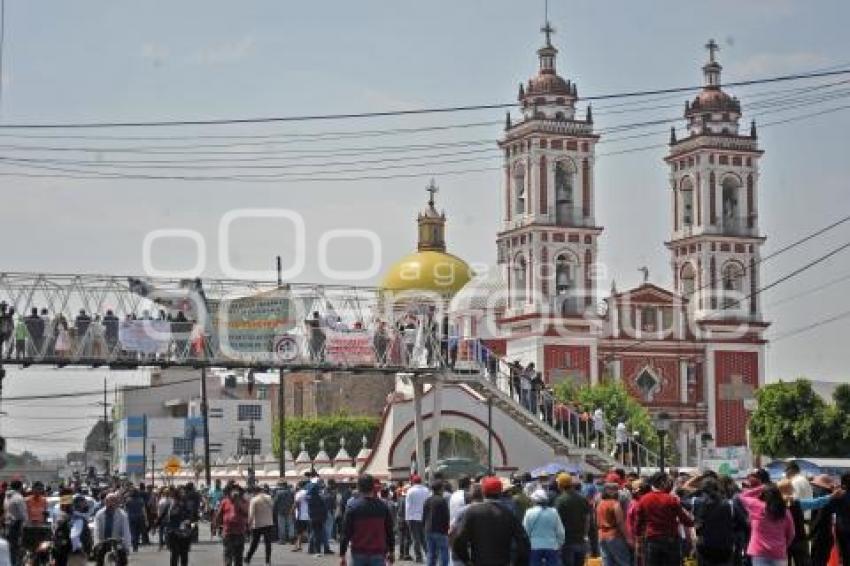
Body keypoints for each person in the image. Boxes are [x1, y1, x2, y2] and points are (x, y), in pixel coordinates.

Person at [452, 476, 530, 566]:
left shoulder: (472, 512)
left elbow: (459, 541)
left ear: (483, 492)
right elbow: (523, 541)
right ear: (500, 492)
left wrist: (466, 560)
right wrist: (518, 563)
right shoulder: (508, 513)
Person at [634, 472, 694, 566]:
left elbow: (638, 523)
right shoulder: (671, 499)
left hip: (651, 540)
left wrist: (638, 540)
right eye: (667, 481)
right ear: (662, 482)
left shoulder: (644, 499)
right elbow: (684, 519)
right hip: (670, 540)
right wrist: (694, 523)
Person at [339, 474, 395, 566]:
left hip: (358, 552)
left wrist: (342, 555)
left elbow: (345, 533)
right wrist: (391, 551)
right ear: (373, 487)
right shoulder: (383, 507)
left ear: (359, 487)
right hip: (378, 552)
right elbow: (389, 531)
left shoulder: (352, 507)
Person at [737, 483, 796, 566]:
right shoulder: (785, 511)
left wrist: (762, 487)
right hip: (779, 552)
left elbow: (741, 496)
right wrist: (784, 545)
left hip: (759, 551)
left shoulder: (757, 506)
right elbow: (791, 534)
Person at [554, 473, 591, 566]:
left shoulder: (560, 500)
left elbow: (556, 522)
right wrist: (585, 535)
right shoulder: (582, 498)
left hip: (566, 541)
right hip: (580, 540)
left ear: (560, 485)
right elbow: (588, 519)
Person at [523, 488, 564, 566]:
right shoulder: (554, 512)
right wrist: (559, 544)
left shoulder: (529, 512)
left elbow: (525, 531)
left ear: (534, 500)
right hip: (552, 546)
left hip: (534, 547)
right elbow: (560, 532)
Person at [596, 483, 631, 566]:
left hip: (601, 535)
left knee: (607, 562)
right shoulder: (615, 504)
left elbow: (596, 521)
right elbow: (620, 522)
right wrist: (628, 538)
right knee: (624, 561)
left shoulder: (599, 503)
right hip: (614, 535)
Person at [52, 494, 92, 566]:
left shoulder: (67, 517)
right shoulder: (77, 519)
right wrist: (79, 550)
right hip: (74, 555)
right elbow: (74, 536)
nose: (84, 506)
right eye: (81, 504)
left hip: (64, 554)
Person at [93, 493, 131, 566]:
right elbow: (97, 529)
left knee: (123, 558)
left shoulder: (122, 515)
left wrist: (126, 546)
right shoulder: (99, 514)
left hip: (117, 541)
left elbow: (126, 531)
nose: (112, 503)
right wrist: (97, 543)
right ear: (105, 502)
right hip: (103, 541)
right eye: (109, 501)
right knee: (99, 557)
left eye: (114, 501)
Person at [216, 484, 249, 566]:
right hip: (228, 532)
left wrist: (238, 502)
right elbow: (219, 515)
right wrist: (217, 527)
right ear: (229, 492)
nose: (234, 492)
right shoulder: (224, 501)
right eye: (233, 490)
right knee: (228, 554)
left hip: (240, 532)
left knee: (238, 555)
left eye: (237, 490)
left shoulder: (243, 501)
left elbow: (247, 513)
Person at [245, 485, 275, 565]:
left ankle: (248, 558)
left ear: (254, 492)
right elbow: (272, 507)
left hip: (257, 524)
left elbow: (251, 514)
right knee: (268, 543)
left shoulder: (254, 500)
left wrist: (249, 525)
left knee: (254, 543)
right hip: (268, 523)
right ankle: (268, 561)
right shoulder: (269, 497)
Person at [163, 488, 194, 566]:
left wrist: (189, 521)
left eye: (183, 493)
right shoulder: (170, 505)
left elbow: (192, 517)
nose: (183, 495)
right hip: (174, 533)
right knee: (175, 554)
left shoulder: (187, 505)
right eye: (181, 493)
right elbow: (164, 517)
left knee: (182, 554)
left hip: (184, 533)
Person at [422, 480, 450, 566]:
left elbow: (424, 516)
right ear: (440, 489)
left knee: (431, 553)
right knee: (443, 553)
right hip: (440, 531)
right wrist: (447, 529)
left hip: (428, 530)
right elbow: (446, 516)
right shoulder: (442, 500)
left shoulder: (427, 500)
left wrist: (424, 527)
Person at [405, 475, 430, 563]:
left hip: (412, 517)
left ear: (413, 482)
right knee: (424, 538)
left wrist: (407, 518)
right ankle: (428, 554)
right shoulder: (426, 490)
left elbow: (408, 506)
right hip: (423, 517)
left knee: (415, 538)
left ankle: (419, 557)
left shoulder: (410, 491)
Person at [4, 480, 27, 566]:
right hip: (17, 525)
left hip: (8, 525)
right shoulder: (18, 497)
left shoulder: (7, 496)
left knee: (11, 549)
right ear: (20, 487)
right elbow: (23, 514)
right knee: (18, 548)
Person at [307, 481, 331, 556]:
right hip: (319, 518)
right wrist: (324, 516)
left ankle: (313, 549)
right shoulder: (319, 498)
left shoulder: (310, 498)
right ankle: (317, 550)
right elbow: (323, 509)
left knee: (316, 533)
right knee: (317, 535)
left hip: (313, 518)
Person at [124, 487, 146, 552]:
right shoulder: (141, 500)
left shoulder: (128, 500)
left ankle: (134, 546)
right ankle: (136, 545)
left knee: (133, 532)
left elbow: (125, 509)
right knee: (138, 532)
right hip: (140, 517)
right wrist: (145, 518)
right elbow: (143, 510)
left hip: (131, 518)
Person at [293, 481, 310, 552]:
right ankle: (300, 546)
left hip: (300, 515)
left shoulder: (299, 493)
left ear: (299, 486)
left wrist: (291, 510)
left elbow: (296, 503)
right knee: (307, 531)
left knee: (298, 532)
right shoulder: (308, 492)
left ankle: (297, 546)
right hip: (308, 515)